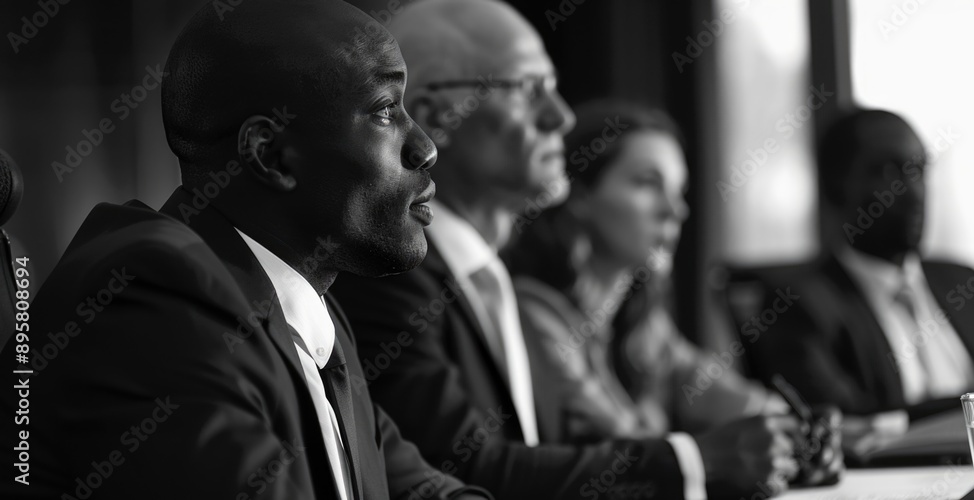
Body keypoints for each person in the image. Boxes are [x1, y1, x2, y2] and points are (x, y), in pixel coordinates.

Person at [0, 1, 490, 498]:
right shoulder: (152, 296)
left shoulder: (307, 311)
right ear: (270, 155)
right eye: (385, 110)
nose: (426, 147)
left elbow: (418, 489)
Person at [332, 2, 803, 498]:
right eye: (529, 89)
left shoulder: (488, 280)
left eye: (554, 88)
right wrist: (697, 462)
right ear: (435, 117)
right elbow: (467, 470)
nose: (561, 116)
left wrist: (784, 445)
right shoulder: (391, 279)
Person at [504, 100, 840, 486]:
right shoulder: (533, 313)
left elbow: (726, 396)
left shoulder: (642, 323)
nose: (675, 210)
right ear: (579, 196)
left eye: (679, 190)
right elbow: (629, 448)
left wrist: (804, 429)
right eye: (648, 183)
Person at [735, 108, 974, 420]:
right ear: (836, 187)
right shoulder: (798, 306)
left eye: (918, 170)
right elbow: (849, 424)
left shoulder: (965, 283)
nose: (914, 191)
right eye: (888, 172)